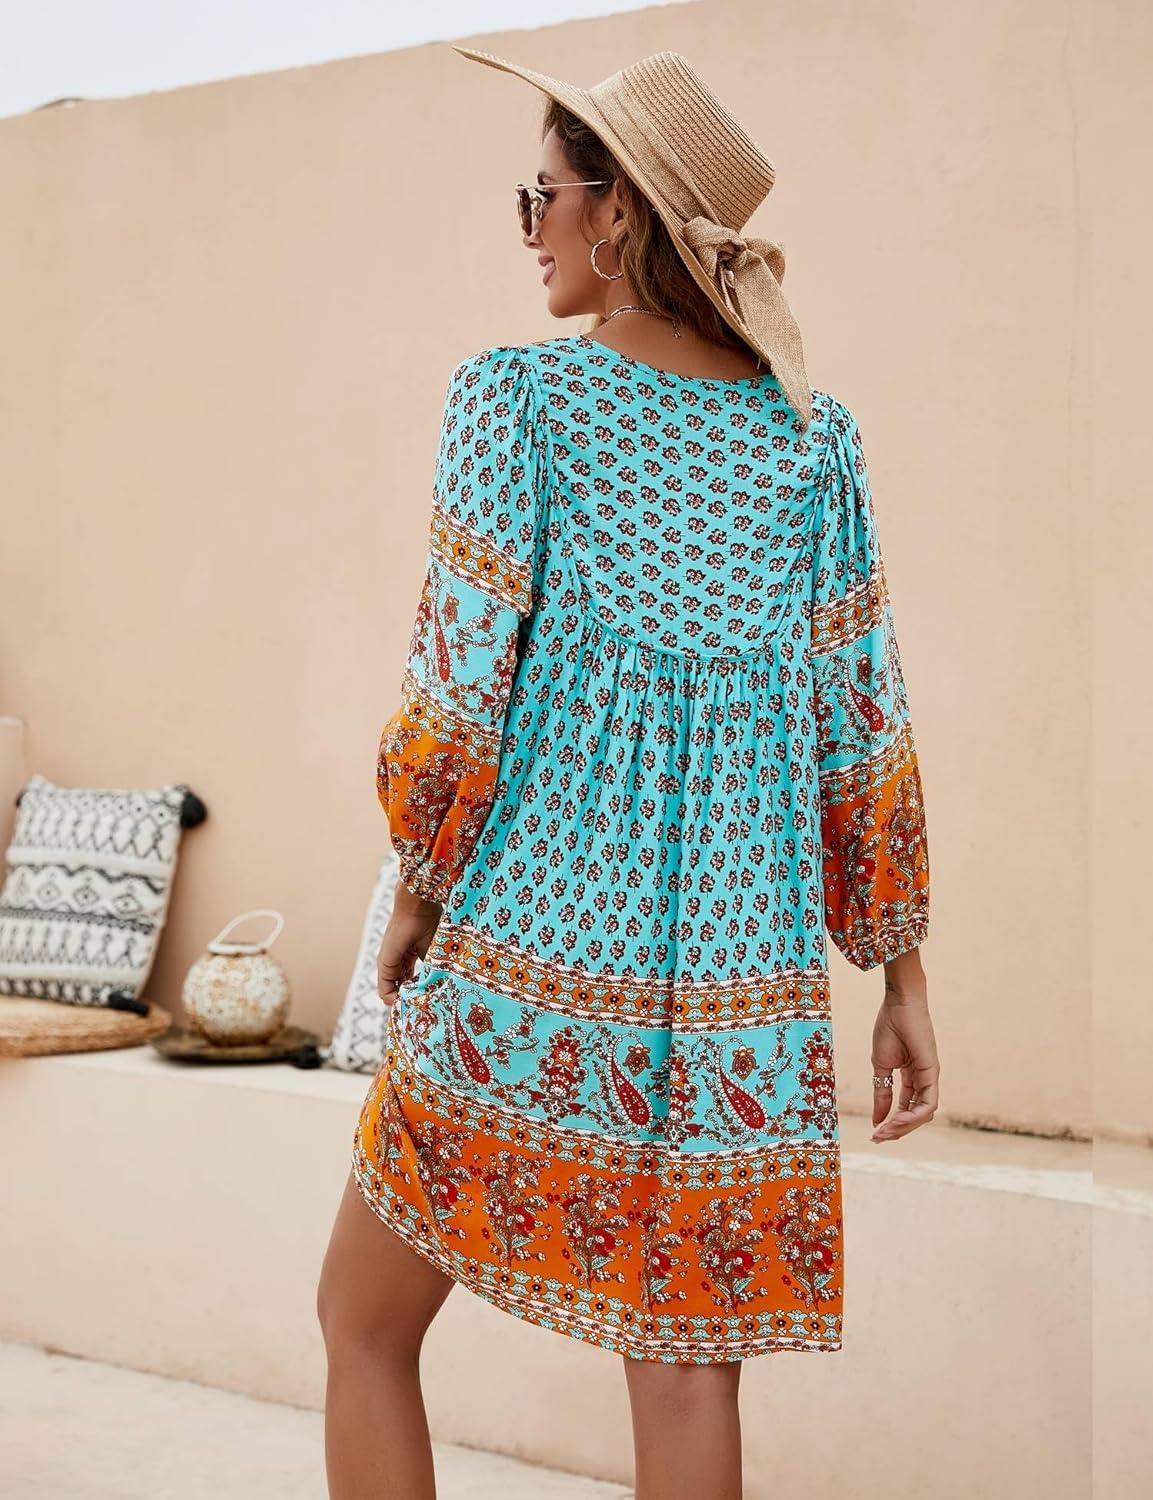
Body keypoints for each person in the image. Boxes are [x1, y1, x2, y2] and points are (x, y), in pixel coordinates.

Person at [317, 46, 939, 1500]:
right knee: (684, 1377)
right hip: (738, 993)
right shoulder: (812, 440)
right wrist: (900, 976)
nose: (527, 227)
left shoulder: (518, 402)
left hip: (533, 949)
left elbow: (456, 697)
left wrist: (416, 890)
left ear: (615, 213)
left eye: (539, 195)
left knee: (361, 1323)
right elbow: (863, 724)